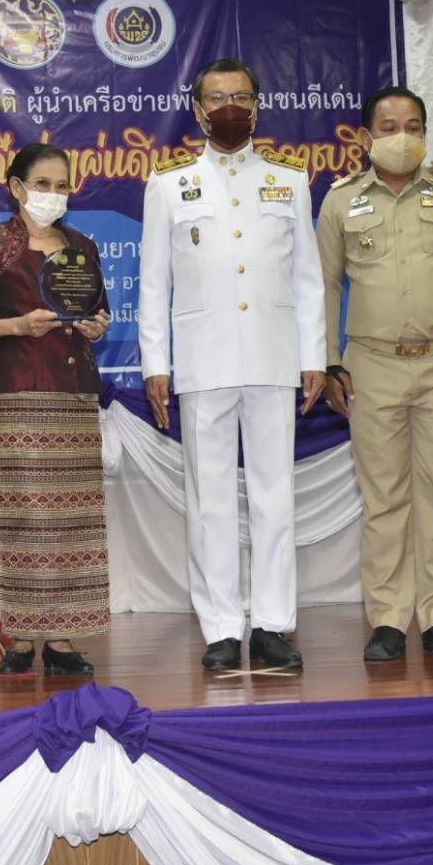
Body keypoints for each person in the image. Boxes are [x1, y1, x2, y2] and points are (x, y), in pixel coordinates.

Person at [138, 57, 326, 672]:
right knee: (210, 498)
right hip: (201, 359)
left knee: (275, 496)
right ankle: (220, 627)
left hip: (274, 359)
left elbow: (309, 280)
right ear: (197, 109)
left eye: (241, 97)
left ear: (258, 106)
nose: (230, 107)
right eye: (217, 98)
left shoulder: (289, 180)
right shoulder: (169, 184)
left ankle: (273, 624)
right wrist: (155, 366)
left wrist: (314, 357)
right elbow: (153, 286)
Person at [317, 86, 433, 663]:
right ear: (366, 137)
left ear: (425, 133)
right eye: (389, 126)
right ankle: (390, 619)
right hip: (371, 365)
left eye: (413, 125)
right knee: (385, 498)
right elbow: (322, 286)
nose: (402, 136)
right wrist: (330, 362)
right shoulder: (341, 200)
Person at [0, 143, 113, 676]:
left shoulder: (81, 246)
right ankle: (21, 635)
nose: (52, 195)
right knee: (24, 518)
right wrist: (16, 327)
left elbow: (97, 311)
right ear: (16, 187)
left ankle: (63, 639)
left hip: (72, 393)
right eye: (41, 184)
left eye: (62, 185)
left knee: (73, 520)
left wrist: (97, 325)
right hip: (16, 393)